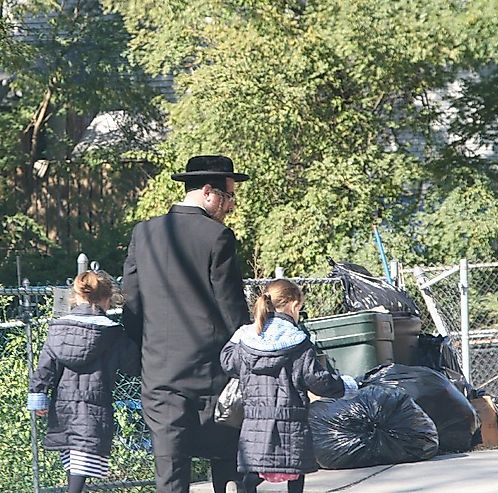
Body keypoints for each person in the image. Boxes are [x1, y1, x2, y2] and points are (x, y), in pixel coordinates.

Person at [121, 155, 252, 493]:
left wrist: (142, 358)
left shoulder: (144, 233)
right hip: (211, 373)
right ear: (209, 192)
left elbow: (131, 303)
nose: (231, 207)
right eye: (229, 197)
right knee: (226, 459)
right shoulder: (217, 236)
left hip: (160, 373)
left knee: (170, 468)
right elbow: (231, 308)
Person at [220, 279, 359, 493]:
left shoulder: (247, 338)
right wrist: (346, 386)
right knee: (294, 471)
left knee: (256, 469)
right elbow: (318, 381)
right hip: (291, 422)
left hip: (254, 422)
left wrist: (238, 337)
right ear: (293, 306)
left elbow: (228, 361)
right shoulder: (298, 342)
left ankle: (242, 488)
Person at [28, 270, 140, 493]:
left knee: (73, 459)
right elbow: (133, 365)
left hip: (63, 405)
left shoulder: (58, 329)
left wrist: (38, 395)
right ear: (107, 299)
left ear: (76, 296)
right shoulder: (113, 333)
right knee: (83, 461)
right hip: (94, 403)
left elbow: (45, 366)